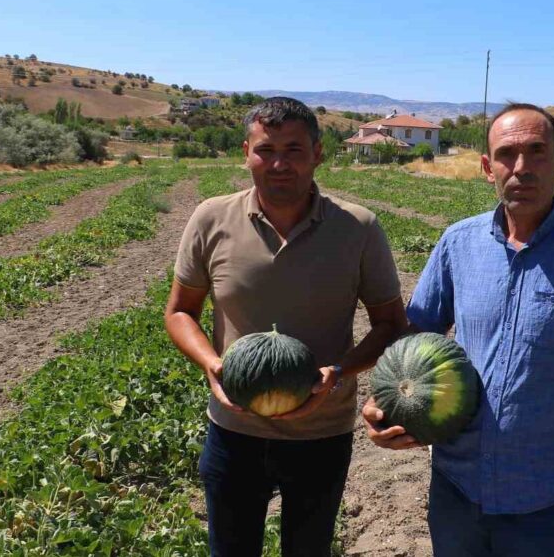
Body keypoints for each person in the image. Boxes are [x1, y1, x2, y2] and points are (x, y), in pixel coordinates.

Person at [364, 103, 554, 556]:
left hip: (543, 500)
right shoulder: (457, 244)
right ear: (487, 167)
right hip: (455, 488)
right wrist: (384, 404)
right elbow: (413, 340)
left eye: (537, 152)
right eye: (506, 154)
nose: (521, 168)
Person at [165, 97, 406, 557]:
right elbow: (179, 312)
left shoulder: (358, 227)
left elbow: (390, 324)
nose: (278, 163)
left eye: (294, 150)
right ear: (246, 152)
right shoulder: (211, 218)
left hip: (323, 434)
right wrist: (214, 365)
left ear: (318, 153)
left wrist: (338, 371)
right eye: (265, 149)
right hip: (234, 431)